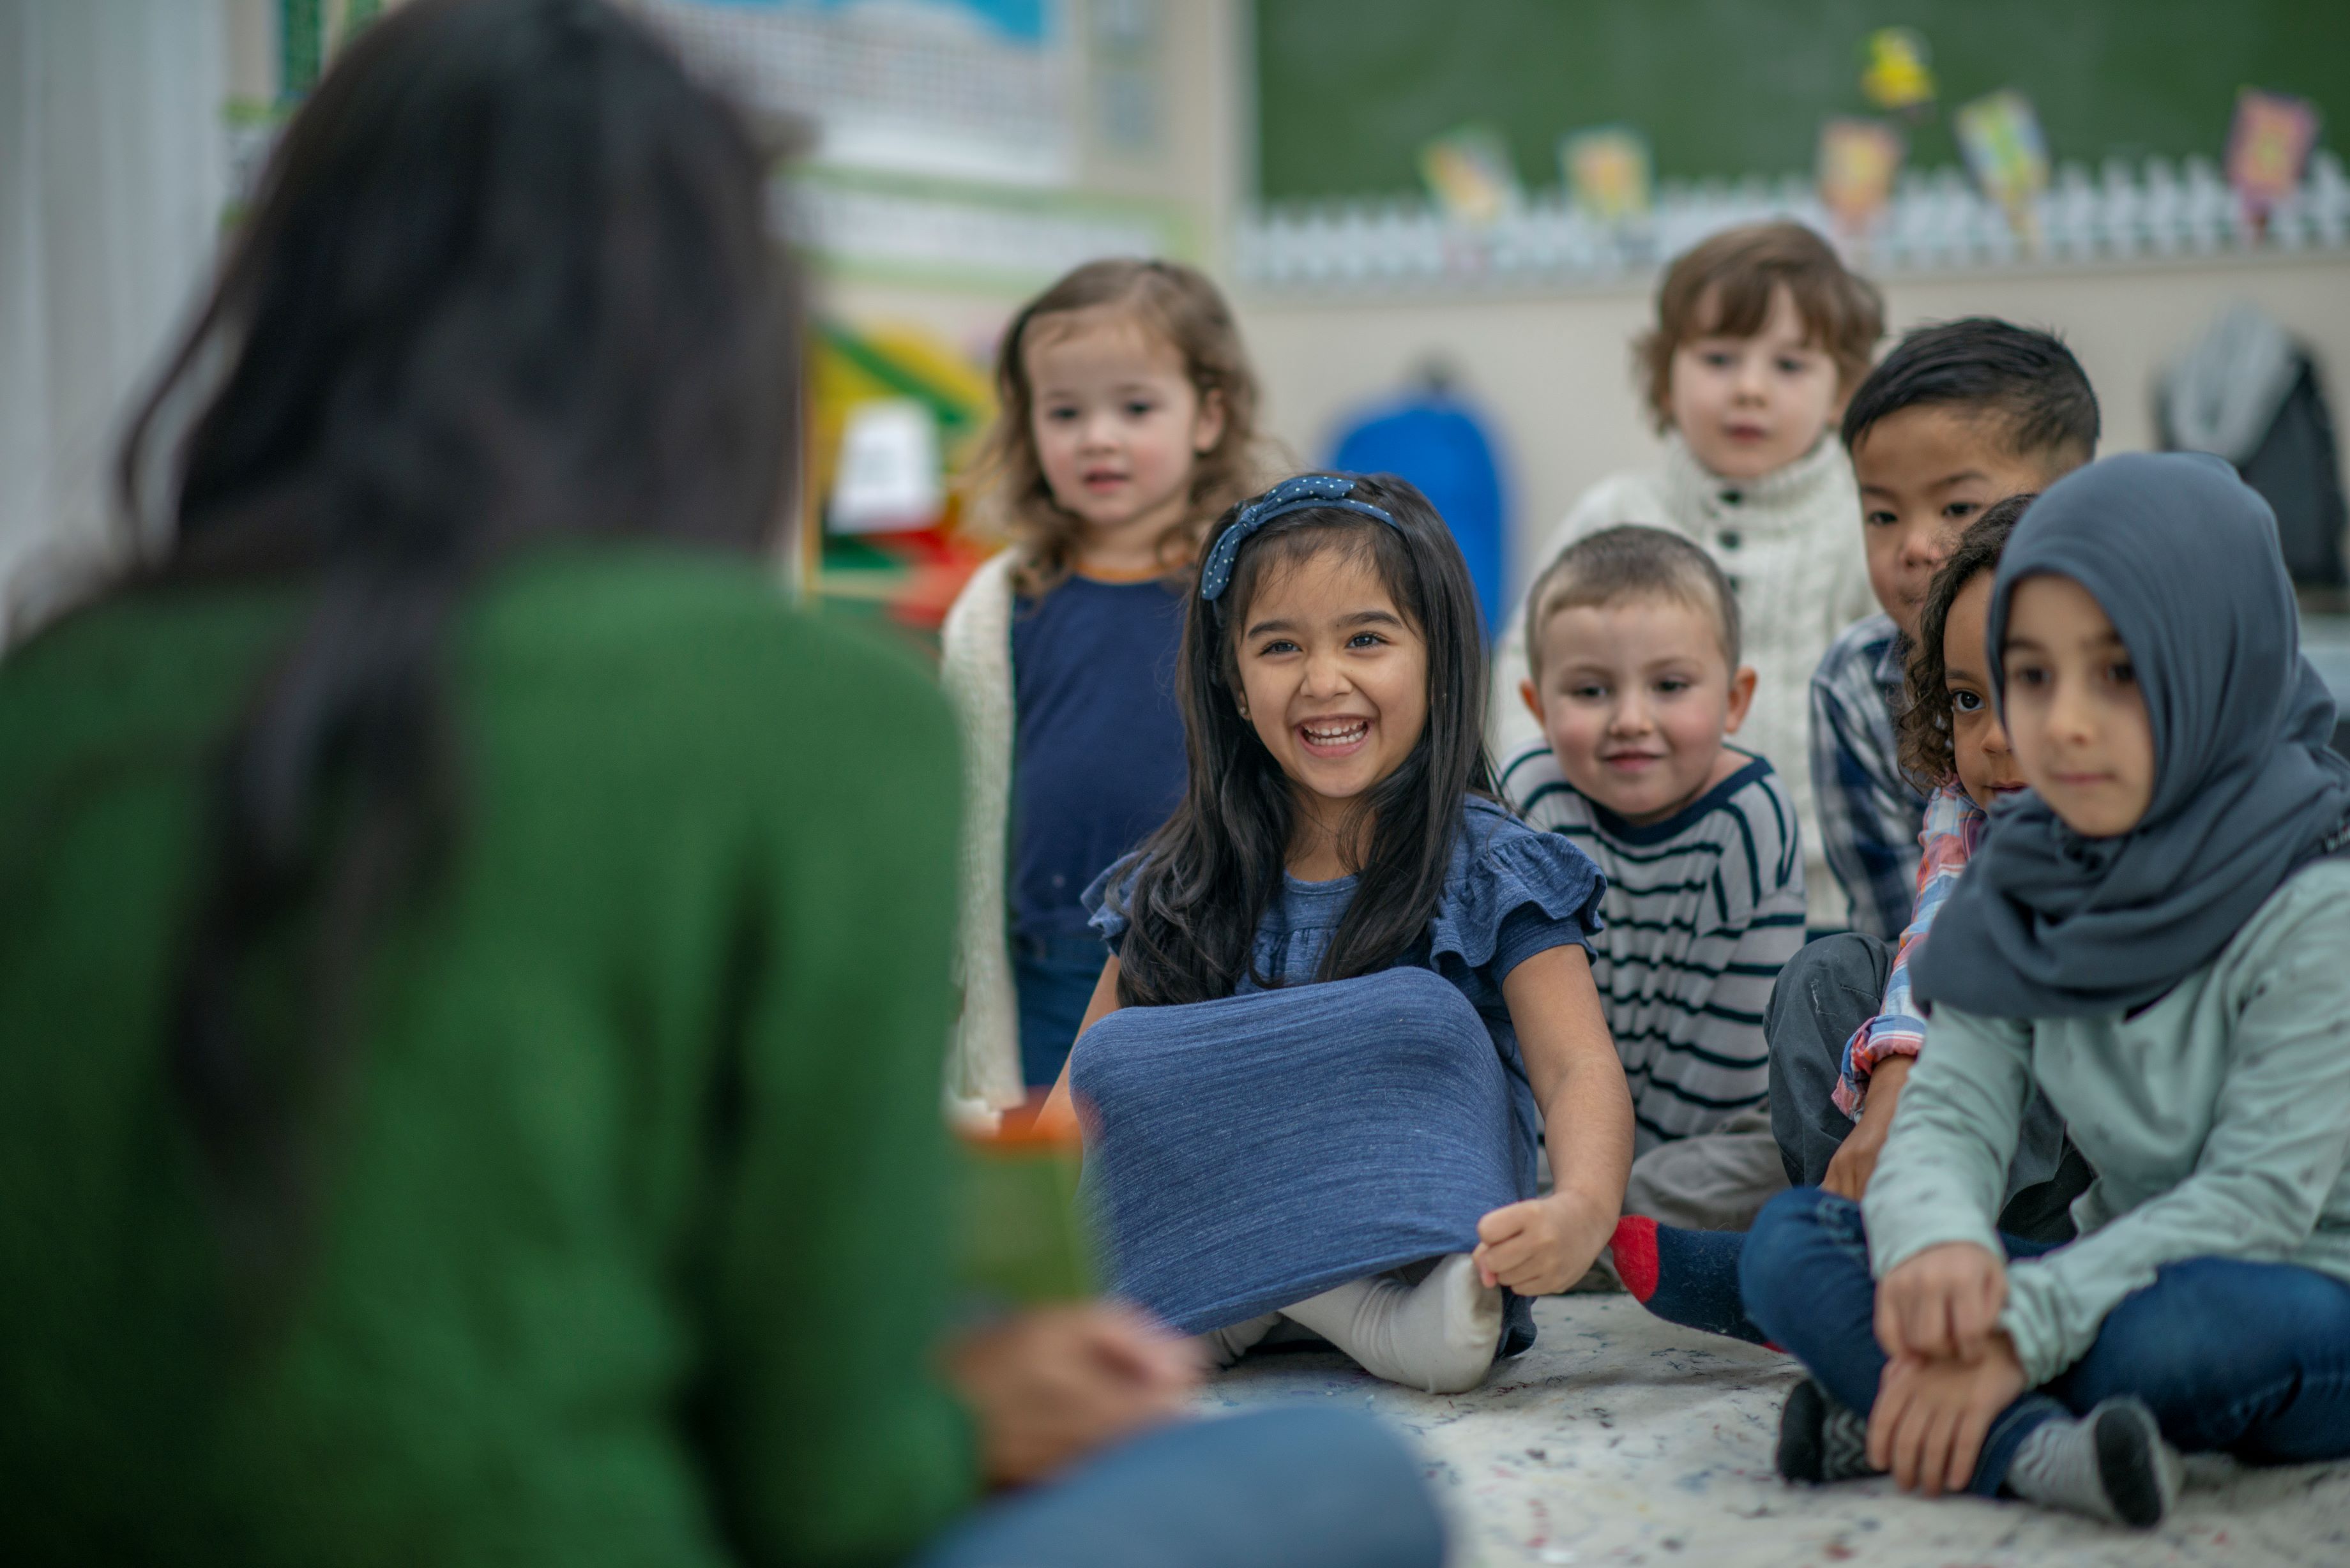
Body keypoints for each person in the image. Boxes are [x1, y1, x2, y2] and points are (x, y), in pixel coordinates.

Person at [0, 6, 1445, 1566]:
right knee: (1350, 1475)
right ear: (711, 325)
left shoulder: (60, 689)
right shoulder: (805, 708)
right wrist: (973, 1408)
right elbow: (831, 1480)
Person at [1743, 454, 2350, 1530]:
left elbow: (2256, 1204)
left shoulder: (2316, 905)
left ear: (2221, 663)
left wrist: (2017, 1326)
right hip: (2100, 1278)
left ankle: (1911, 1411)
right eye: (2031, 675)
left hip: (2288, 1289)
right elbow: (1949, 1116)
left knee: (2179, 1333)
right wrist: (1938, 1245)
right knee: (1794, 1243)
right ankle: (2028, 1448)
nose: (2057, 724)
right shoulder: (2019, 883)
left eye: (2117, 673)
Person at [1043, 472, 1632, 1394]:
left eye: (1366, 638)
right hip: (1206, 1233)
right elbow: (1077, 1099)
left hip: (1407, 1255)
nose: (1324, 682)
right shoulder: (1177, 881)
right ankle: (1236, 1302)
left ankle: (1310, 1304)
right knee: (1116, 1056)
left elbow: (1578, 1066)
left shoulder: (1489, 863)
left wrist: (1583, 1206)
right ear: (1233, 685)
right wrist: (1023, 1277)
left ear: (1439, 659)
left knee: (1420, 1019)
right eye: (1279, 647)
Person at [1491, 222, 1883, 928]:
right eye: (1718, 357)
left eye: (1789, 365)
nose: (1750, 390)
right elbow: (1523, 659)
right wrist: (1535, 814)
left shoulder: (1860, 525)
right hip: (1615, 892)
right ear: (1665, 376)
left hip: (1821, 900)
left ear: (1839, 392)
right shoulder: (1616, 510)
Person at [942, 259, 1266, 1110]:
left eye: (1134, 407)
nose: (1097, 437)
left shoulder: (1243, 588)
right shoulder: (1003, 601)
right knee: (1060, 1196)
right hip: (1049, 959)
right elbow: (961, 782)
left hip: (1217, 948)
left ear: (1210, 415)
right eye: (1065, 412)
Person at [1771, 496, 2088, 1239]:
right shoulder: (1966, 806)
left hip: (2111, 1177)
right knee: (1827, 976)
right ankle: (1852, 1235)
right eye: (1969, 699)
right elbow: (1938, 938)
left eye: (2035, 685)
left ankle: (1983, 1264)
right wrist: (1890, 1084)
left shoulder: (2179, 814)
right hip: (1951, 1137)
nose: (1994, 738)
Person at [1500, 525, 1804, 1232]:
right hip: (1556, 1135)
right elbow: (1520, 1034)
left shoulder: (1749, 814)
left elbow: (1733, 1061)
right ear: (1537, 705)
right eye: (1589, 690)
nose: (1630, 720)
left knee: (1787, 1144)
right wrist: (1585, 1166)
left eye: (1669, 685)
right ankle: (1601, 1233)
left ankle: (1573, 1232)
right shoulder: (1527, 802)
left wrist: (1612, 1185)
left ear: (1734, 699)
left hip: (1704, 1136)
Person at [1810, 319, 2097, 940]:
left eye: (1957, 508)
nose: (1913, 545)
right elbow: (1898, 926)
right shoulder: (1857, 682)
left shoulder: (2135, 649)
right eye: (1881, 514)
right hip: (1939, 983)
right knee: (1828, 971)